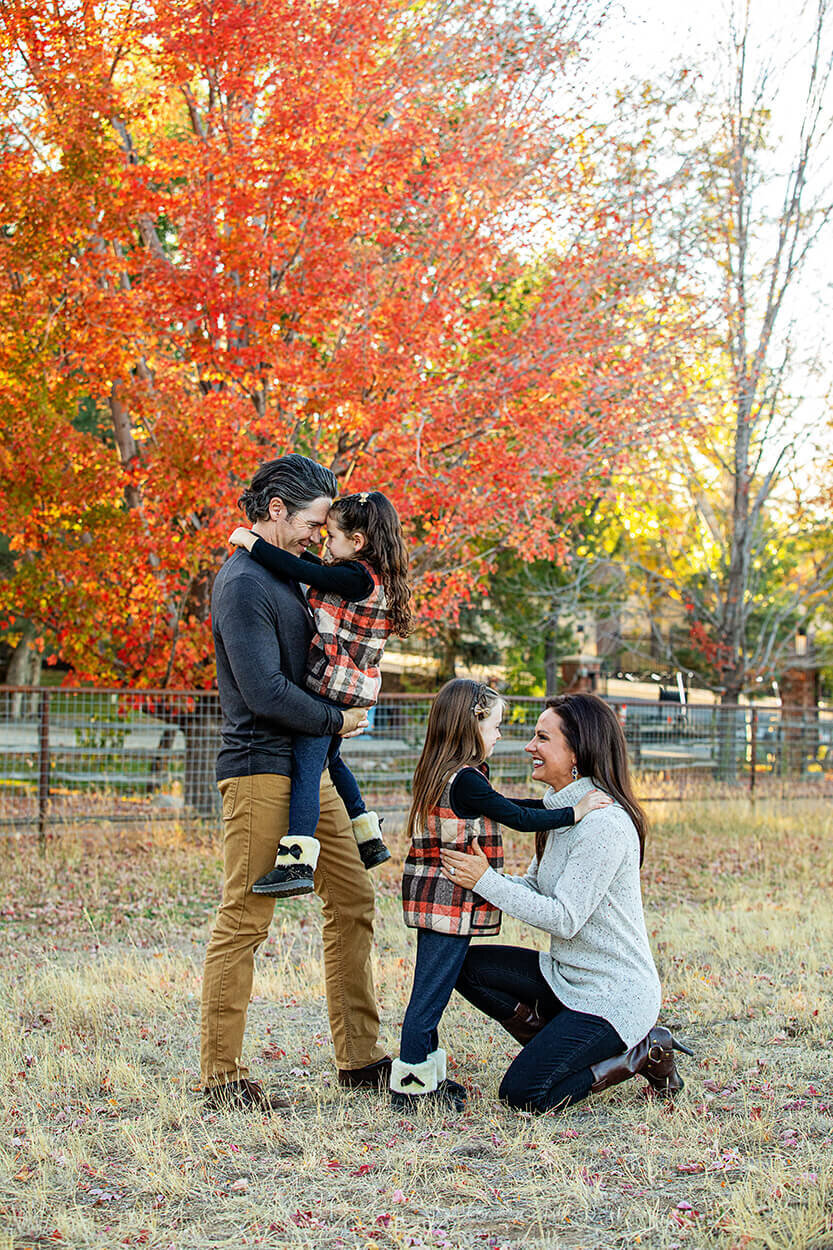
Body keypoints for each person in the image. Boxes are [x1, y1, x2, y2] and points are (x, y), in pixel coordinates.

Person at [201, 455, 391, 1113]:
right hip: (258, 770)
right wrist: (340, 718)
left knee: (353, 898)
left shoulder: (286, 577)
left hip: (309, 768)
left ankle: (360, 1059)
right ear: (277, 510)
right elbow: (263, 692)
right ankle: (220, 1076)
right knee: (246, 919)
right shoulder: (244, 584)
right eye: (313, 521)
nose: (317, 535)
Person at [441, 692, 692, 1115]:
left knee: (525, 1096)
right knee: (463, 967)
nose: (529, 746)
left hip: (612, 995)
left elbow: (565, 918)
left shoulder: (604, 825)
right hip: (566, 977)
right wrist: (488, 876)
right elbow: (538, 887)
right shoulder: (562, 814)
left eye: (542, 738)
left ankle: (642, 1051)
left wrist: (485, 882)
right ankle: (556, 1042)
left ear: (576, 751)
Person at [390, 679, 612, 1112]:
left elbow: (509, 803)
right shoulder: (466, 780)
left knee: (433, 987)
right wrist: (574, 812)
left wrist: (557, 806)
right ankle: (412, 1088)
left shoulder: (446, 771)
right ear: (470, 725)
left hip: (438, 901)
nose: (499, 735)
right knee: (430, 993)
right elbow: (515, 816)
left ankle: (426, 1076)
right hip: (448, 903)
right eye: (494, 725)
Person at [228, 490, 412, 898]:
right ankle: (368, 836)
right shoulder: (370, 577)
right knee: (333, 761)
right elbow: (310, 567)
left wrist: (251, 542)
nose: (324, 545)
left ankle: (296, 863)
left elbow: (296, 566)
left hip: (332, 688)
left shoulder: (356, 576)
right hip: (352, 689)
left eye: (331, 537)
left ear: (357, 542)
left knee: (307, 771)